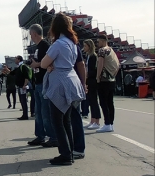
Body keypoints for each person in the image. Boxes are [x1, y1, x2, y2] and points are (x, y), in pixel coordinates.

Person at [41, 14, 85, 165]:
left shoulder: (58, 44)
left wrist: (49, 65)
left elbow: (43, 63)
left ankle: (65, 154)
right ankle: (70, 152)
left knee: (57, 120)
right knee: (66, 120)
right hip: (72, 79)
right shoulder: (73, 43)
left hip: (60, 82)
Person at [27, 24, 55, 148]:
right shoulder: (38, 47)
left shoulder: (45, 46)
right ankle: (40, 135)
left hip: (44, 81)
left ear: (35, 34)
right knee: (38, 111)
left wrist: (36, 64)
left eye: (31, 34)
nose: (30, 37)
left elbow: (48, 62)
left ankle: (52, 136)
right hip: (38, 82)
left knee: (45, 111)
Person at [94, 34, 118, 132]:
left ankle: (107, 123)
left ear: (103, 41)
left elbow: (100, 64)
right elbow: (118, 65)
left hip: (103, 80)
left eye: (98, 41)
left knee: (103, 102)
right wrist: (113, 75)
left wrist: (98, 76)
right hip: (112, 80)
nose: (97, 43)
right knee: (110, 103)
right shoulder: (112, 51)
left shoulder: (102, 50)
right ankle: (111, 123)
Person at [81, 40, 101, 130]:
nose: (84, 48)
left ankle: (97, 121)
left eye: (85, 46)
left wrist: (87, 74)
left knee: (94, 101)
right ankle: (92, 120)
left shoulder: (93, 56)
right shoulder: (88, 56)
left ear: (90, 46)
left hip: (93, 81)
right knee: (90, 101)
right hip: (89, 80)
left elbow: (94, 70)